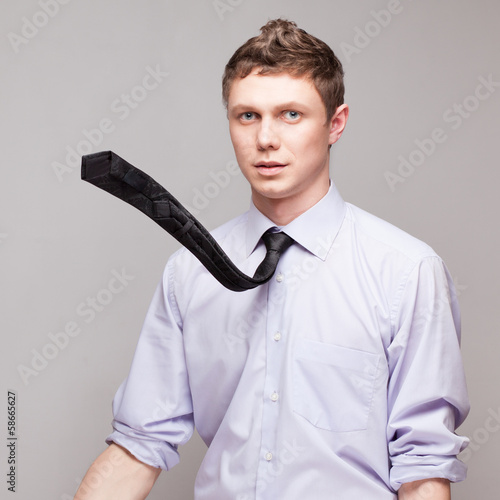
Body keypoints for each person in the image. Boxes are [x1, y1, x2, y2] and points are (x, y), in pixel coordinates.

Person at [75, 19, 469, 500]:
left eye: (290, 115)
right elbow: (139, 446)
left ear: (335, 124)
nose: (265, 139)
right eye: (247, 116)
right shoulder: (190, 271)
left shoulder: (406, 272)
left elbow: (423, 470)